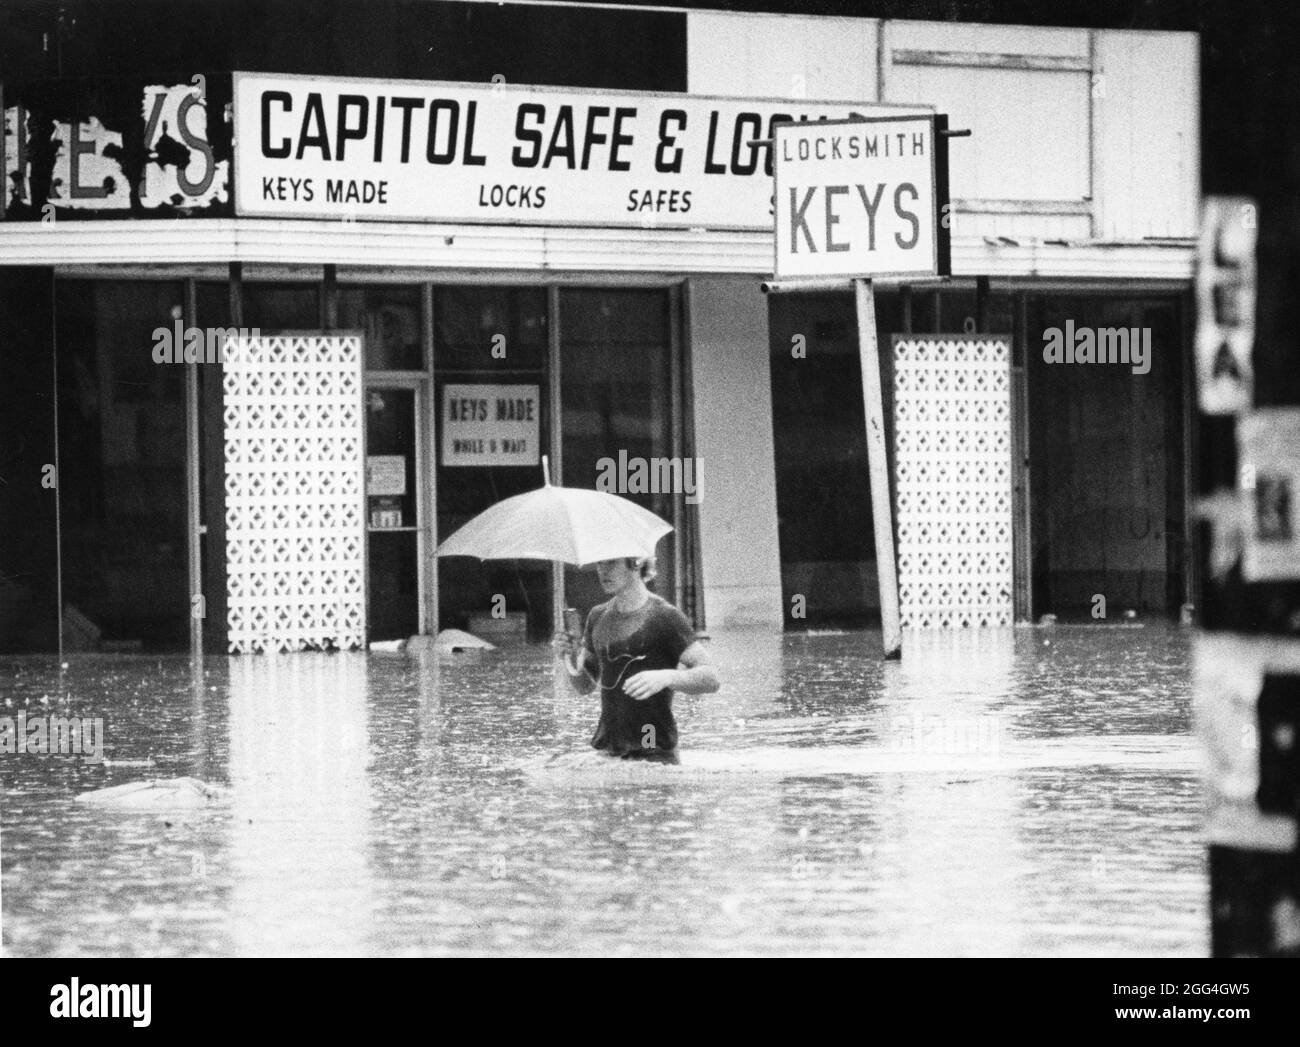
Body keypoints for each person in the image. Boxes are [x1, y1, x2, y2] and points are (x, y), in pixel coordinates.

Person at [555, 555, 719, 764]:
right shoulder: (597, 616)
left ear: (636, 562)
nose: (603, 571)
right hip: (609, 749)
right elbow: (585, 686)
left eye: (611, 562)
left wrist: (667, 677)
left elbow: (711, 678)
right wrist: (568, 658)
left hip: (654, 748)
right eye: (599, 563)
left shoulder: (665, 616)